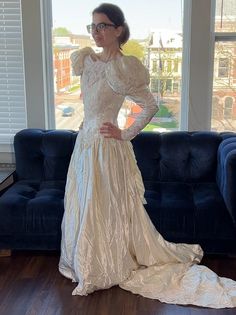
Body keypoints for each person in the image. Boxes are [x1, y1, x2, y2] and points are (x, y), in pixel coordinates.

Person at [59, 3, 236, 308]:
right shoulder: (85, 61)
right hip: (85, 146)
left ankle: (103, 264)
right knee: (83, 203)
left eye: (103, 26)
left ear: (118, 30)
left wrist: (124, 132)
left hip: (107, 148)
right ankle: (85, 262)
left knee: (106, 205)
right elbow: (89, 104)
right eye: (93, 26)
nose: (96, 32)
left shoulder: (125, 68)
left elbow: (150, 105)